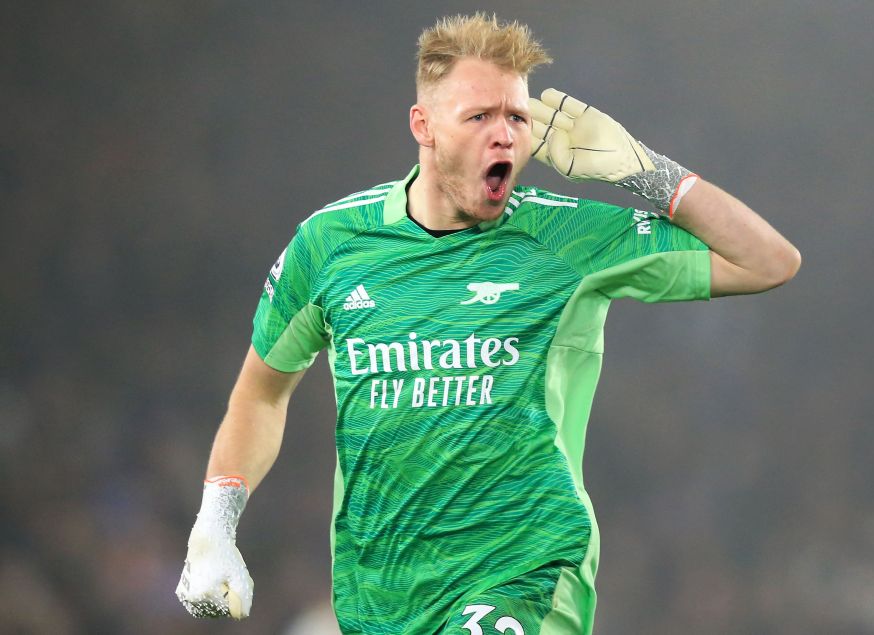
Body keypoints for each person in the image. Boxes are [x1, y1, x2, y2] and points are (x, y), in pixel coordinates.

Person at [175, 13, 800, 635]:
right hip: (378, 595)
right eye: (479, 117)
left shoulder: (564, 236)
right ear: (423, 125)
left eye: (517, 119)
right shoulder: (330, 244)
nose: (503, 136)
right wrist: (214, 526)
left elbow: (769, 260)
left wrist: (643, 169)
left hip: (524, 575)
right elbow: (262, 390)